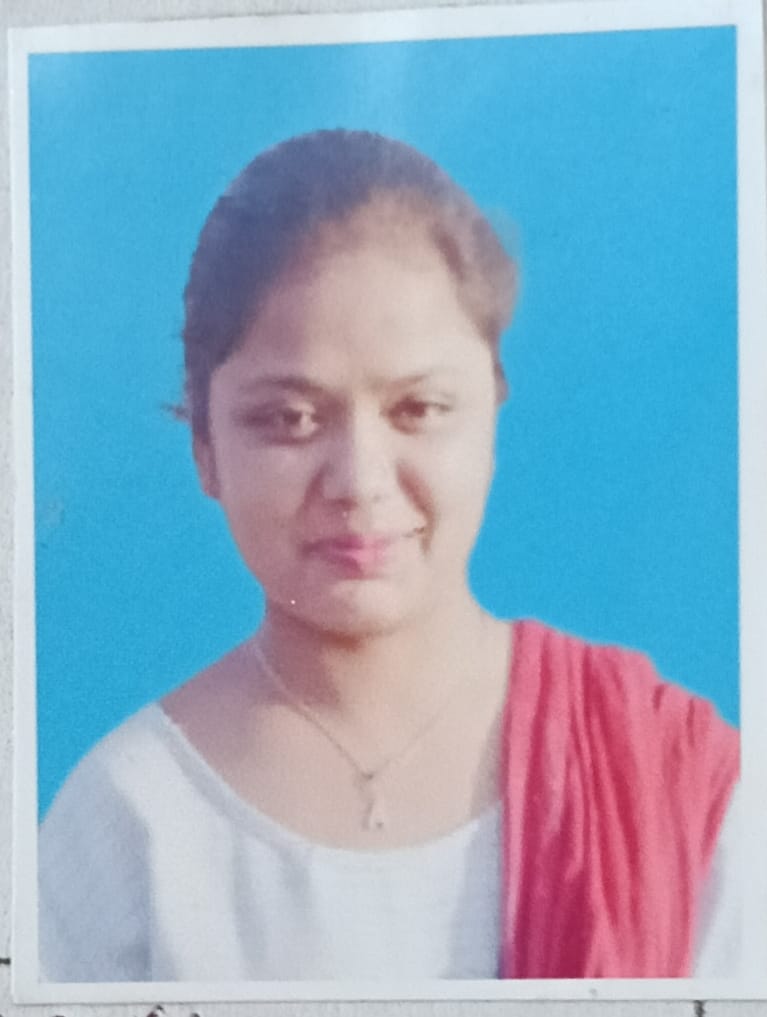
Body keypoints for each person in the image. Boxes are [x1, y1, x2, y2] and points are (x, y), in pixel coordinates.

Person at [39, 129, 740, 983]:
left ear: (490, 414)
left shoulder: (667, 783)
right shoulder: (126, 826)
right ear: (205, 449)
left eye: (418, 409)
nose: (360, 481)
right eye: (290, 418)